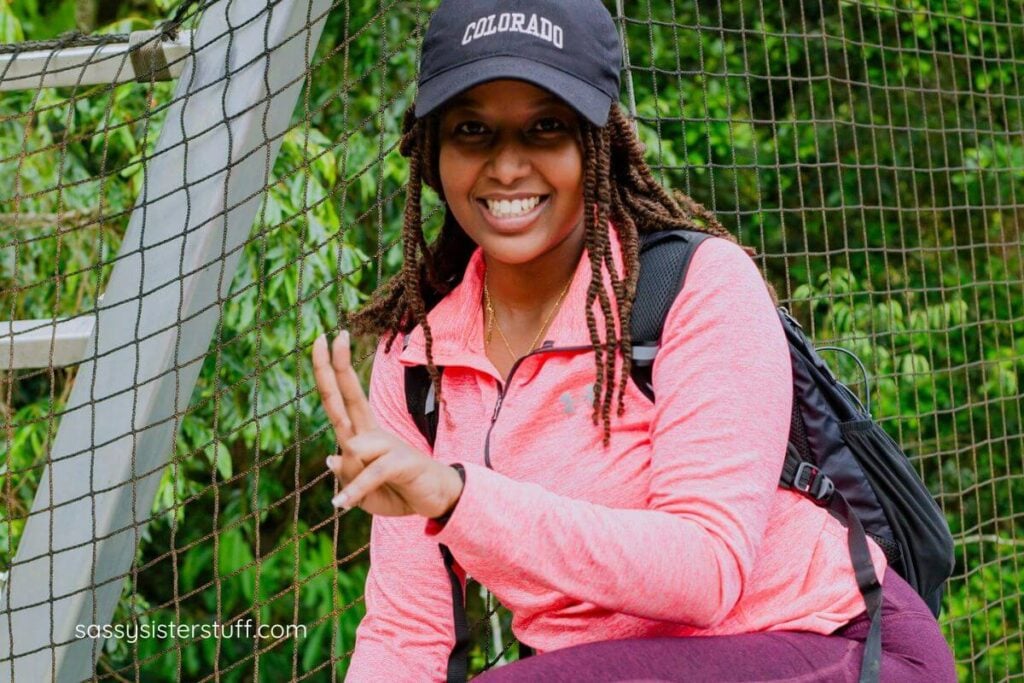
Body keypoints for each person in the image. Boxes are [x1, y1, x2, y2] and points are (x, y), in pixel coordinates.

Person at [310, 0, 957, 680]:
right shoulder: (416, 364)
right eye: (473, 130)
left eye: (545, 129)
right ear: (432, 149)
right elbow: (408, 632)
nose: (506, 167)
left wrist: (457, 494)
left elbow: (707, 570)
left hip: (832, 640)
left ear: (597, 142)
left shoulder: (693, 286)